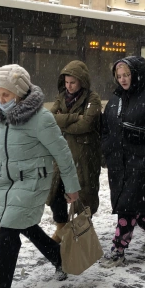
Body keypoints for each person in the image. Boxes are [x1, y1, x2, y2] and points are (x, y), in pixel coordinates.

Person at [0, 64, 80, 288]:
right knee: (27, 225)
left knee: (8, 230)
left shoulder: (41, 119)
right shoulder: (1, 116)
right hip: (7, 183)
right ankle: (59, 258)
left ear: (20, 93)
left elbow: (62, 153)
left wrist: (72, 187)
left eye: (6, 94)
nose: (1, 100)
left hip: (32, 183)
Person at [100, 56, 145, 267]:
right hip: (119, 162)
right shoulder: (115, 99)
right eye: (119, 76)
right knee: (134, 204)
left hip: (141, 163)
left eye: (127, 75)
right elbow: (106, 127)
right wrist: (106, 150)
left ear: (136, 74)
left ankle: (118, 250)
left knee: (127, 207)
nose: (123, 79)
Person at [46, 60, 101, 243]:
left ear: (82, 82)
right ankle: (62, 229)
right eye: (67, 82)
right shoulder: (61, 96)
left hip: (84, 156)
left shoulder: (92, 99)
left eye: (73, 82)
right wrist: (74, 118)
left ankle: (81, 233)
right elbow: (50, 118)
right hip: (62, 155)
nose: (69, 86)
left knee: (84, 195)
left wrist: (64, 122)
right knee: (56, 194)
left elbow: (86, 124)